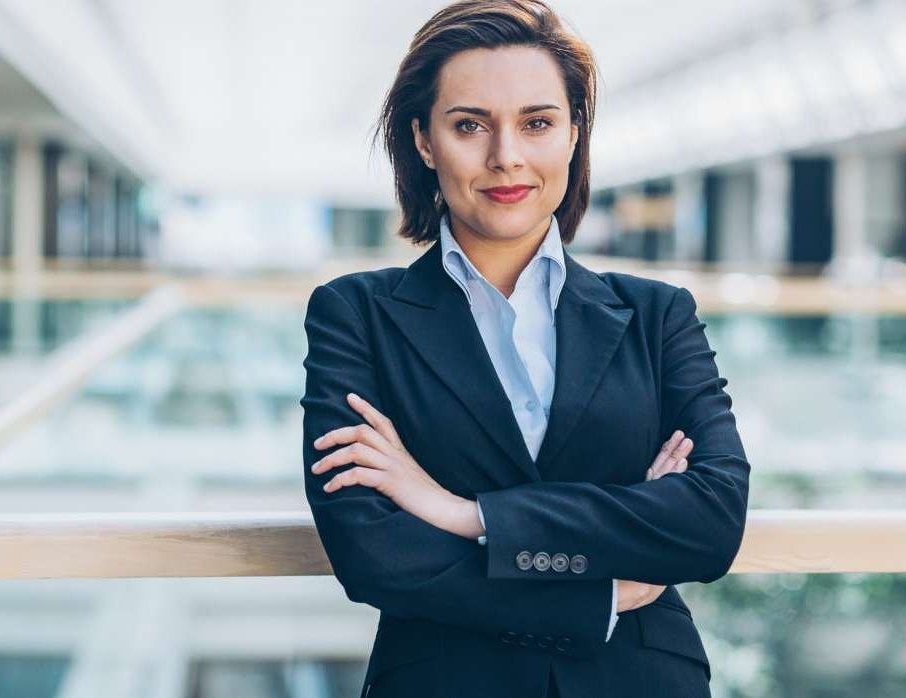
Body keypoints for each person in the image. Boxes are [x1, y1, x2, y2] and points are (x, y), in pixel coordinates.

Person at [298, 1, 751, 696]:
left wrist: (463, 513)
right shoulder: (355, 315)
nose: (505, 156)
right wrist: (600, 591)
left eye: (537, 123)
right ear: (424, 141)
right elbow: (371, 550)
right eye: (469, 125)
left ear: (573, 135)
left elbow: (711, 520)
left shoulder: (657, 315)